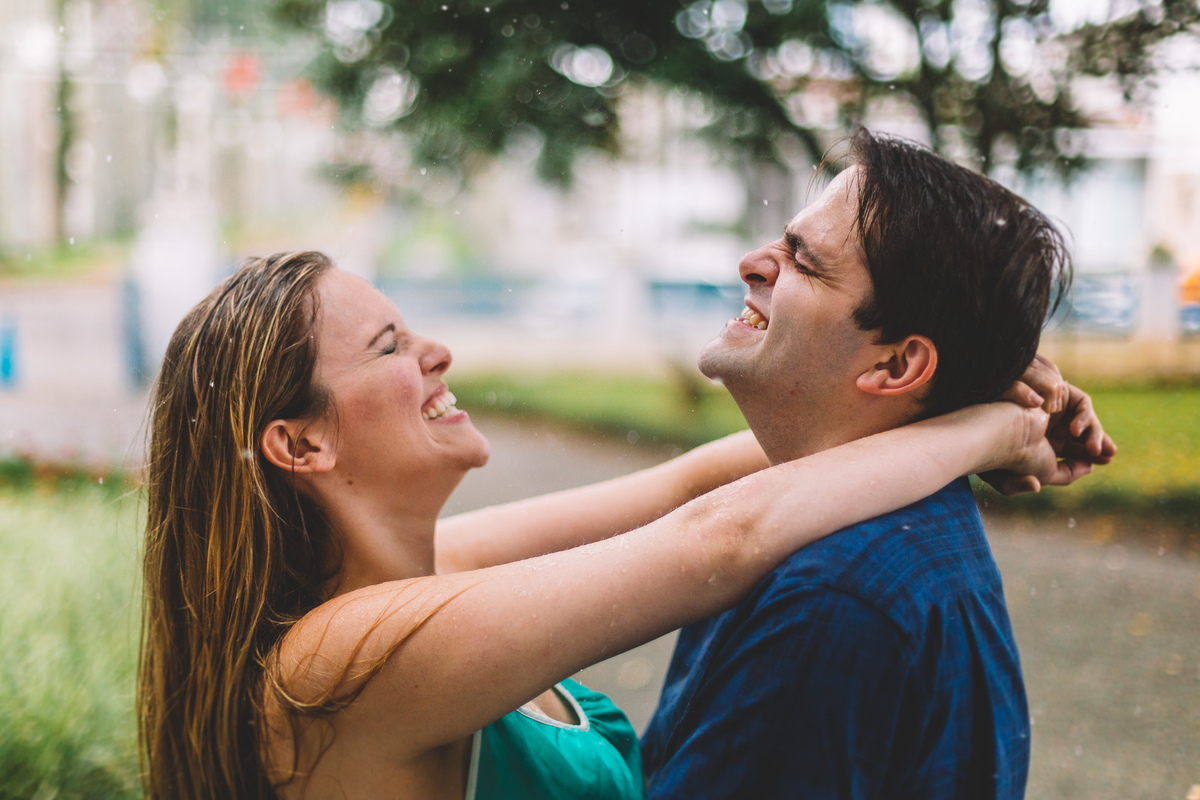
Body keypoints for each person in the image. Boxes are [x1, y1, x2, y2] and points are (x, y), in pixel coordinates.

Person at [136, 267, 1103, 794]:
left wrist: (957, 389)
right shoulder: (334, 663)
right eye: (390, 347)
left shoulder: (431, 576)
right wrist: (990, 429)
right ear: (299, 443)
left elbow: (692, 481)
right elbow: (718, 541)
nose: (438, 352)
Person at [639, 128, 1116, 800]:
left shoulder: (829, 599)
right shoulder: (869, 527)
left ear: (895, 364)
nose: (752, 263)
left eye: (803, 262)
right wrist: (979, 421)